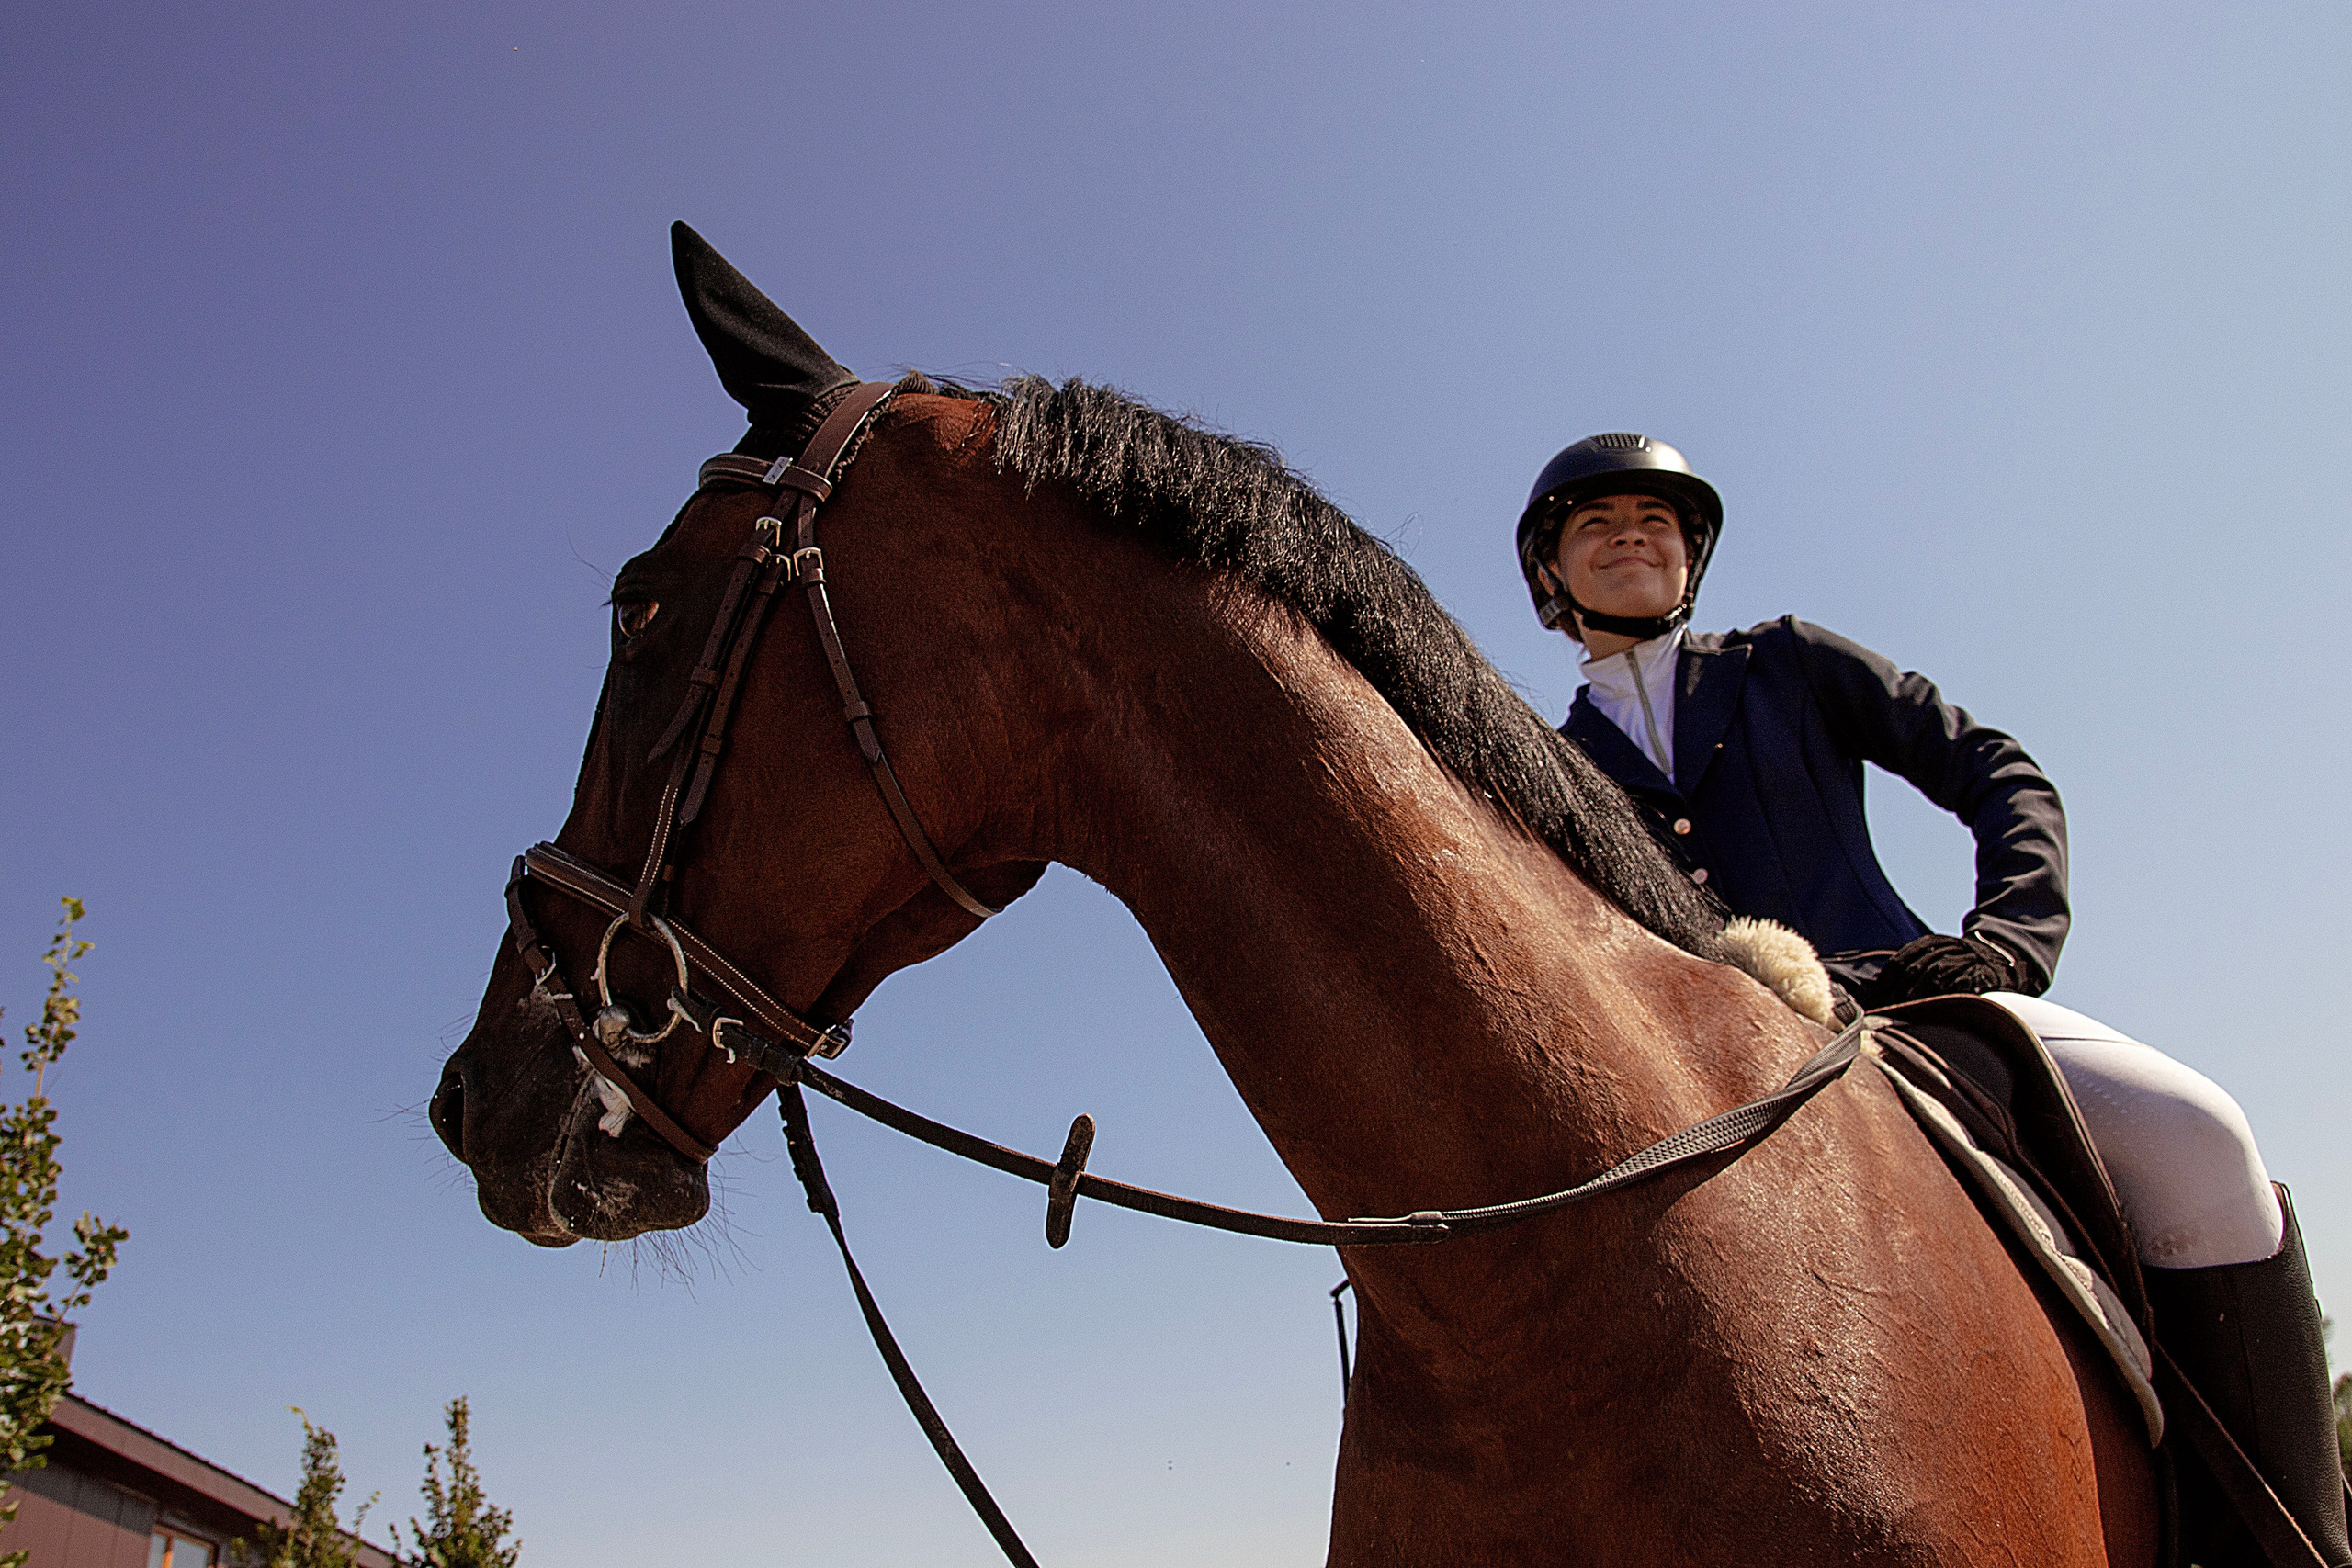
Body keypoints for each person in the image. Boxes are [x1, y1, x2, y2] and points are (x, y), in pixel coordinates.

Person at [1514, 432, 2347, 1563]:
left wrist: (2006, 941)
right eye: (1597, 524)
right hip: (1692, 1077)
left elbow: (1997, 771)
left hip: (1907, 1009)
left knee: (2198, 1134)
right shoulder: (1546, 764)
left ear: (1689, 556)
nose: (1630, 538)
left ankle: (2296, 1542)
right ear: (1551, 570)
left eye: (1654, 521)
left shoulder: (1788, 661)